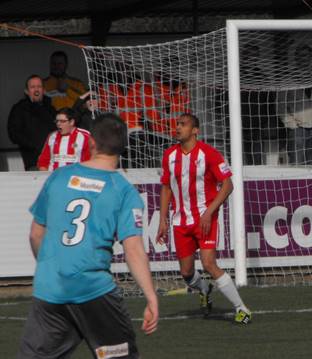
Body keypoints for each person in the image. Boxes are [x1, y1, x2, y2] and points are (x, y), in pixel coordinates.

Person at [18, 114, 158, 358]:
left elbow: (35, 235)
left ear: (91, 142)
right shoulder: (124, 191)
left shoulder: (59, 177)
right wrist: (151, 297)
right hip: (93, 292)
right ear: (123, 146)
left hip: (50, 289)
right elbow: (133, 249)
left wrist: (52, 269)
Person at [156, 113, 252, 324]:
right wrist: (163, 219)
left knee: (209, 263)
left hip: (204, 219)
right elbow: (165, 187)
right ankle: (204, 289)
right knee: (186, 272)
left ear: (195, 130)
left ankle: (241, 308)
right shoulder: (169, 155)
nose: (178, 127)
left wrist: (209, 212)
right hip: (180, 222)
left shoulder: (209, 154)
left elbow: (228, 185)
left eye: (183, 124)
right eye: (177, 123)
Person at [281, 44, 312, 166]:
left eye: (306, 55)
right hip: (297, 129)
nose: (304, 58)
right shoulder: (288, 81)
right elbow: (280, 105)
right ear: (296, 58)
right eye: (301, 55)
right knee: (296, 164)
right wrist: (292, 124)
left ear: (310, 57)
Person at [8, 75, 57, 170]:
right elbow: (14, 134)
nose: (36, 90)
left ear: (43, 90)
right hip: (34, 161)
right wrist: (36, 146)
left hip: (55, 161)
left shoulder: (50, 108)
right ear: (26, 91)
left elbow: (61, 127)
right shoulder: (19, 109)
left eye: (39, 87)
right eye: (33, 87)